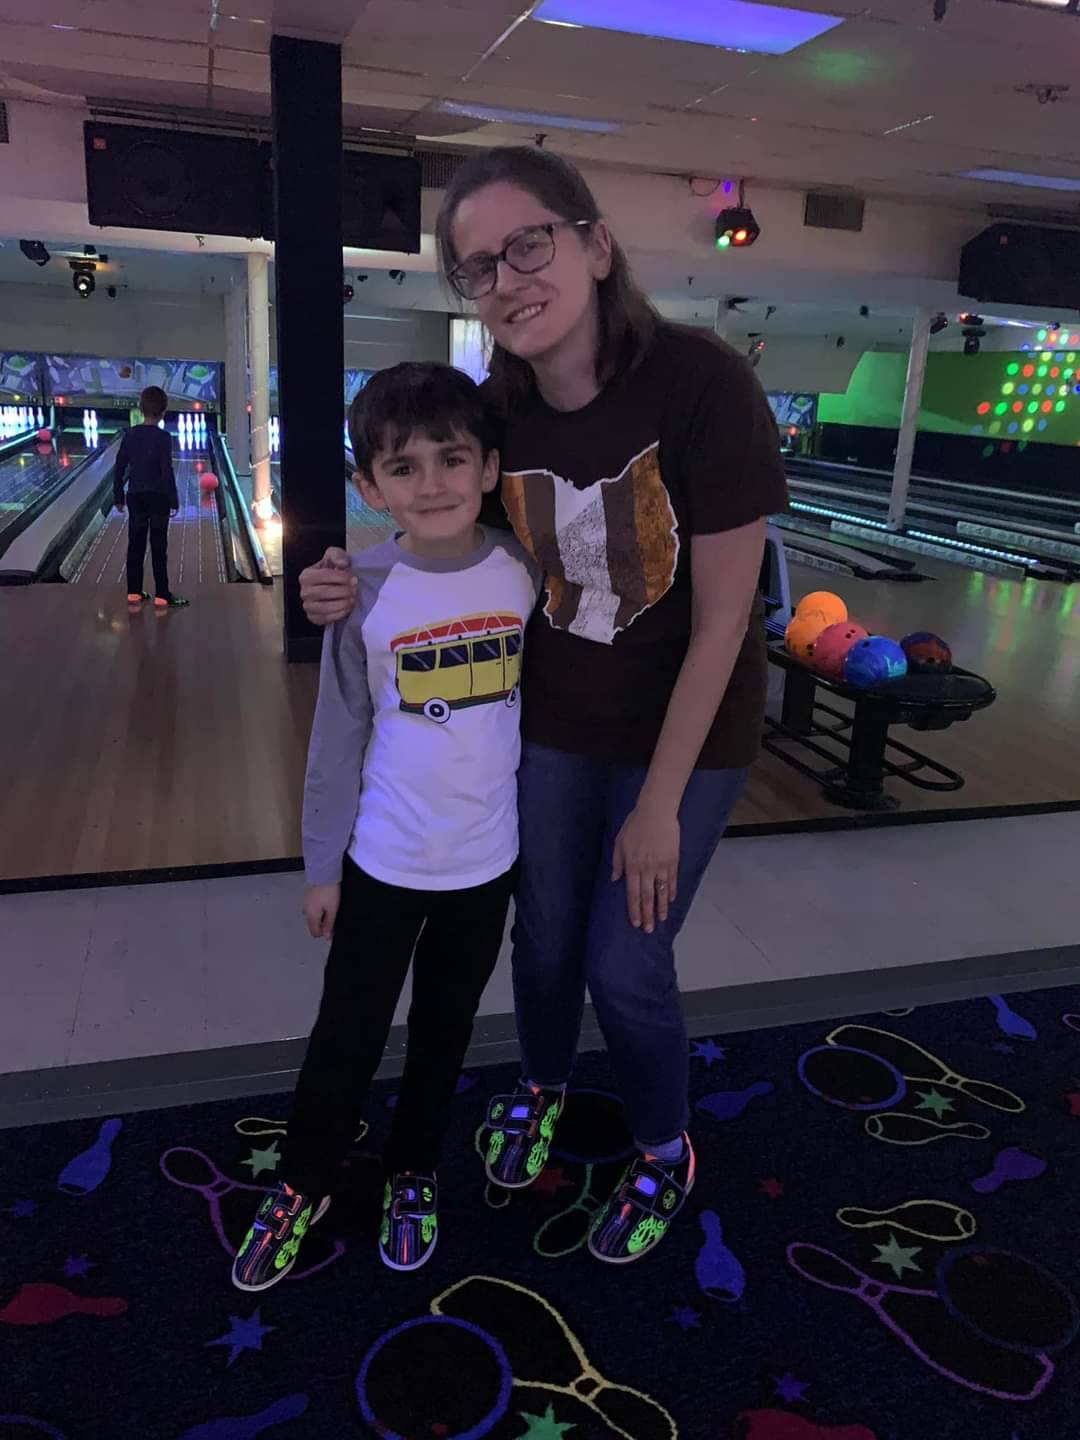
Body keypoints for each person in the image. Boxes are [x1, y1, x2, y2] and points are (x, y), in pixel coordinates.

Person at [299, 147, 789, 1266]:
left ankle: (664, 1151)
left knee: (627, 963)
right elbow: (442, 522)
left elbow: (725, 625)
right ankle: (546, 1085)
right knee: (547, 942)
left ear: (594, 244)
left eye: (531, 244)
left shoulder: (704, 385)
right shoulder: (504, 407)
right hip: (557, 724)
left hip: (689, 737)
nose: (510, 277)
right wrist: (349, 576)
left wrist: (659, 805)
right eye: (480, 266)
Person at [232, 362, 537, 1290]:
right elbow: (338, 737)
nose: (433, 483)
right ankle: (305, 1181)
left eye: (453, 459)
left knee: (444, 1034)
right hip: (382, 862)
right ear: (371, 488)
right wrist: (322, 864)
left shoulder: (525, 572)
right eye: (404, 469)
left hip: (486, 868)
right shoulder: (359, 590)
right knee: (348, 1033)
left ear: (489, 468)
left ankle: (412, 1173)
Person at [113, 386, 188, 608]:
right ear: (163, 411)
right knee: (158, 546)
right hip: (158, 497)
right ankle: (162, 595)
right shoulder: (164, 438)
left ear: (140, 408)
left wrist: (118, 496)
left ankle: (133, 592)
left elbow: (119, 467)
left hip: (135, 496)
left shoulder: (130, 434)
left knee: (135, 543)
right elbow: (166, 470)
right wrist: (173, 499)